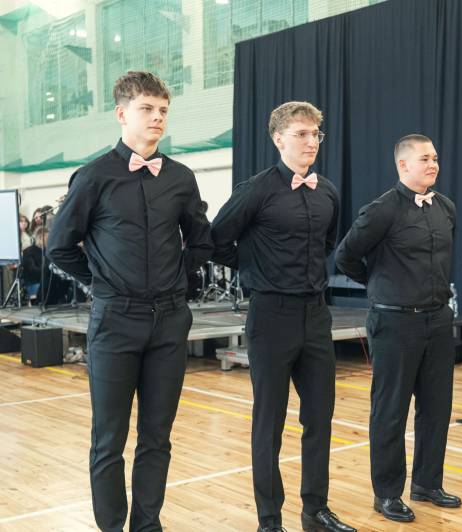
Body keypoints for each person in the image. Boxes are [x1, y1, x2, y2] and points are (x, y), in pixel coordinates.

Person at [48, 71, 213, 531]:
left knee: (157, 437)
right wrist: (103, 282)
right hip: (115, 322)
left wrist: (177, 280)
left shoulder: (181, 178)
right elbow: (59, 246)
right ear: (122, 114)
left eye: (163, 110)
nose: (157, 117)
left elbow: (202, 241)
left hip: (169, 323)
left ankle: (147, 525)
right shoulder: (93, 176)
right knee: (108, 439)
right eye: (147, 109)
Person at [211, 101, 355, 532]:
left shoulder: (328, 192)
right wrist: (255, 266)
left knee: (320, 418)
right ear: (278, 139)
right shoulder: (255, 190)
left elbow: (327, 243)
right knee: (269, 423)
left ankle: (316, 510)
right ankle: (269, 520)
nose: (311, 142)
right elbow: (217, 241)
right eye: (301, 134)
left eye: (316, 135)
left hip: (315, 315)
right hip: (270, 315)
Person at [335, 134, 461, 523]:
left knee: (436, 408)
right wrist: (379, 283)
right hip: (394, 322)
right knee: (390, 411)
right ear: (403, 165)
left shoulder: (446, 207)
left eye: (435, 157)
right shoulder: (382, 210)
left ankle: (427, 483)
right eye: (425, 158)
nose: (433, 164)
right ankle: (387, 493)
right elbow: (345, 256)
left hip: (438, 319)